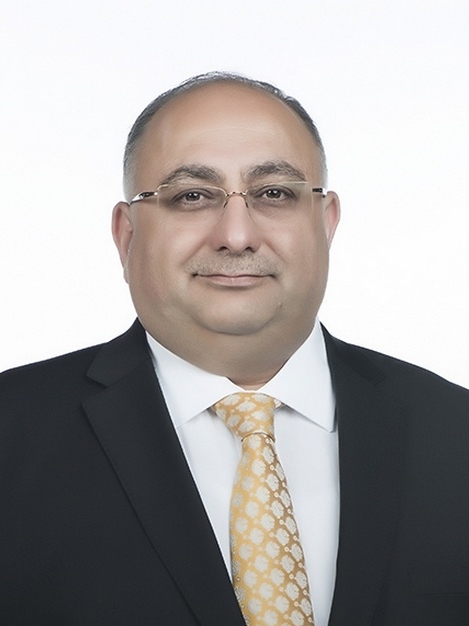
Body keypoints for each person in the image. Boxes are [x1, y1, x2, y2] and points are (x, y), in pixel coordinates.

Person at [1, 72, 469, 626]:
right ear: (126, 235)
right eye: (192, 196)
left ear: (326, 223)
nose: (237, 235)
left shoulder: (455, 434)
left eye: (274, 193)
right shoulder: (12, 432)